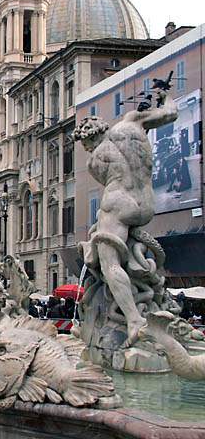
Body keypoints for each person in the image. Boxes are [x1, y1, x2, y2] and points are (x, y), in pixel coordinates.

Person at [75, 84, 178, 347]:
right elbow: (170, 113)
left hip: (118, 204)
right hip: (145, 204)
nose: (86, 148)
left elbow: (109, 181)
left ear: (89, 139)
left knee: (110, 264)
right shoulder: (131, 123)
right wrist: (165, 96)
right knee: (108, 240)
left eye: (85, 144)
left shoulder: (94, 159)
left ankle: (133, 319)